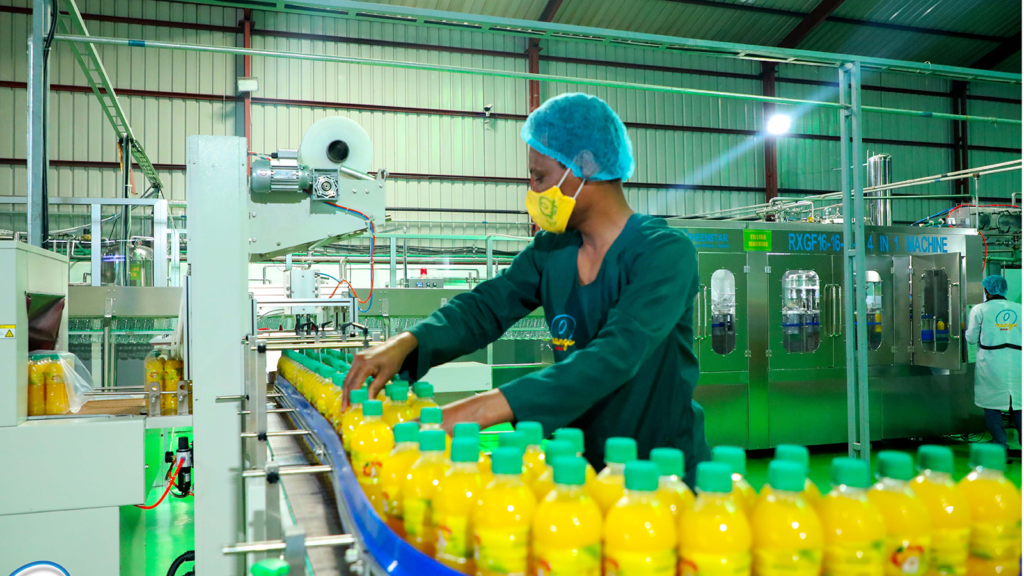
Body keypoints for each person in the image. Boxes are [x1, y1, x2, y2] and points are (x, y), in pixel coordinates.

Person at [343, 92, 709, 483]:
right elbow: (486, 308)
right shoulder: (552, 251)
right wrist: (408, 342)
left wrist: (476, 411)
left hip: (662, 478)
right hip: (582, 473)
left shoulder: (664, 253)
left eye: (540, 178)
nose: (533, 192)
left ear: (585, 165)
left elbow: (616, 354)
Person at [965, 274, 1022, 450]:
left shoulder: (979, 309)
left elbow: (971, 338)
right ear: (1005, 289)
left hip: (991, 363)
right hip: (1018, 362)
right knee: (1019, 404)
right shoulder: (1020, 309)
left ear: (986, 290)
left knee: (991, 404)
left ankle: (999, 443)